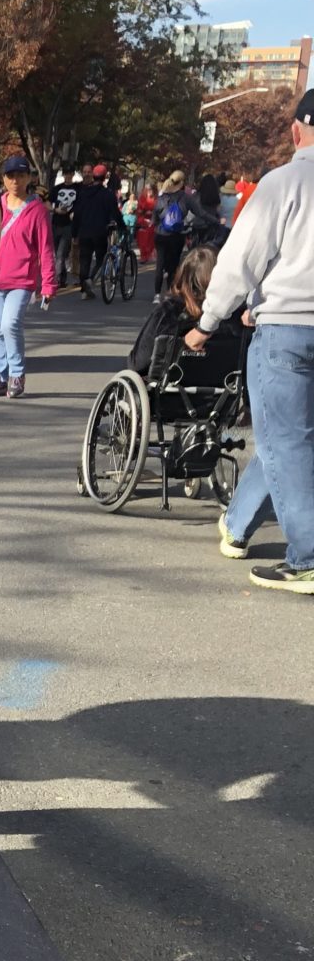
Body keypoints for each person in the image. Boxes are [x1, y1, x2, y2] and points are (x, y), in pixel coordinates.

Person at [185, 88, 314, 592]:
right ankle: (238, 525)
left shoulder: (283, 184)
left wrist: (207, 322)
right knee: (292, 441)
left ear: (296, 131)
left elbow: (241, 259)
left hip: (285, 326)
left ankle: (306, 557)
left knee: (285, 441)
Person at [0, 153, 56, 398]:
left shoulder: (37, 211)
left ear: (28, 178)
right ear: (3, 178)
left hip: (21, 280)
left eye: (21, 175)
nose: (15, 180)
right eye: (10, 175)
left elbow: (46, 249)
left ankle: (17, 374)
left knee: (10, 324)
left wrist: (48, 285)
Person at [71, 163, 123, 298]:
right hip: (100, 232)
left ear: (93, 176)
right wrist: (123, 227)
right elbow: (116, 213)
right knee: (101, 259)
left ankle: (84, 289)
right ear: (105, 177)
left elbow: (77, 214)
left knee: (85, 260)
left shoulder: (83, 193)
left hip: (84, 231)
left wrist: (74, 233)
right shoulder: (108, 195)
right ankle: (91, 279)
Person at [152, 171, 191, 293]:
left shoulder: (162, 197)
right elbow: (191, 213)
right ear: (181, 183)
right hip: (176, 235)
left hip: (161, 234)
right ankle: (169, 290)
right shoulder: (185, 198)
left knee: (160, 263)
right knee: (174, 265)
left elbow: (155, 217)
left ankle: (157, 294)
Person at [49, 167, 79, 287]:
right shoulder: (57, 188)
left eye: (70, 173)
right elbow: (46, 202)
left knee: (61, 253)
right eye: (66, 174)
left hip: (68, 224)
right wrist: (55, 209)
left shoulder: (78, 189)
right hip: (56, 222)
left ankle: (57, 279)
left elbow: (81, 203)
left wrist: (74, 212)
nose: (68, 176)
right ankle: (62, 279)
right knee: (56, 253)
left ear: (73, 174)